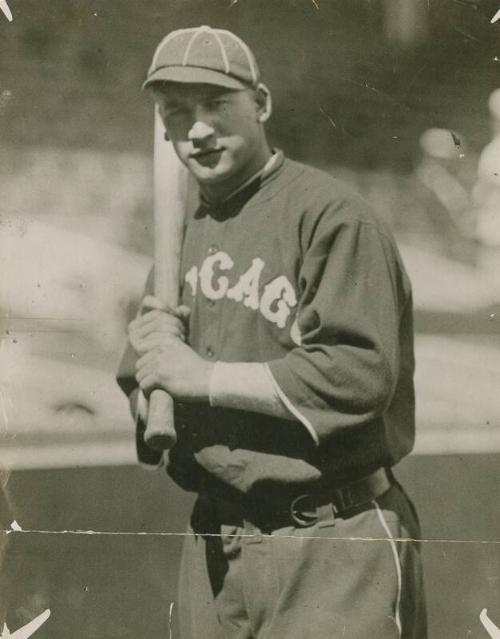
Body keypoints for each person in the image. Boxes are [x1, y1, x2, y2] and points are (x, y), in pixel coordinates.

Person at [117, 25, 427, 639]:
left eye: (216, 106)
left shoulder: (331, 216)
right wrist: (151, 371)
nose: (197, 129)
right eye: (177, 114)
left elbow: (358, 374)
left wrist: (198, 377)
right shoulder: (178, 237)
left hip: (331, 538)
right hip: (216, 541)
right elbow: (148, 402)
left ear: (260, 104)